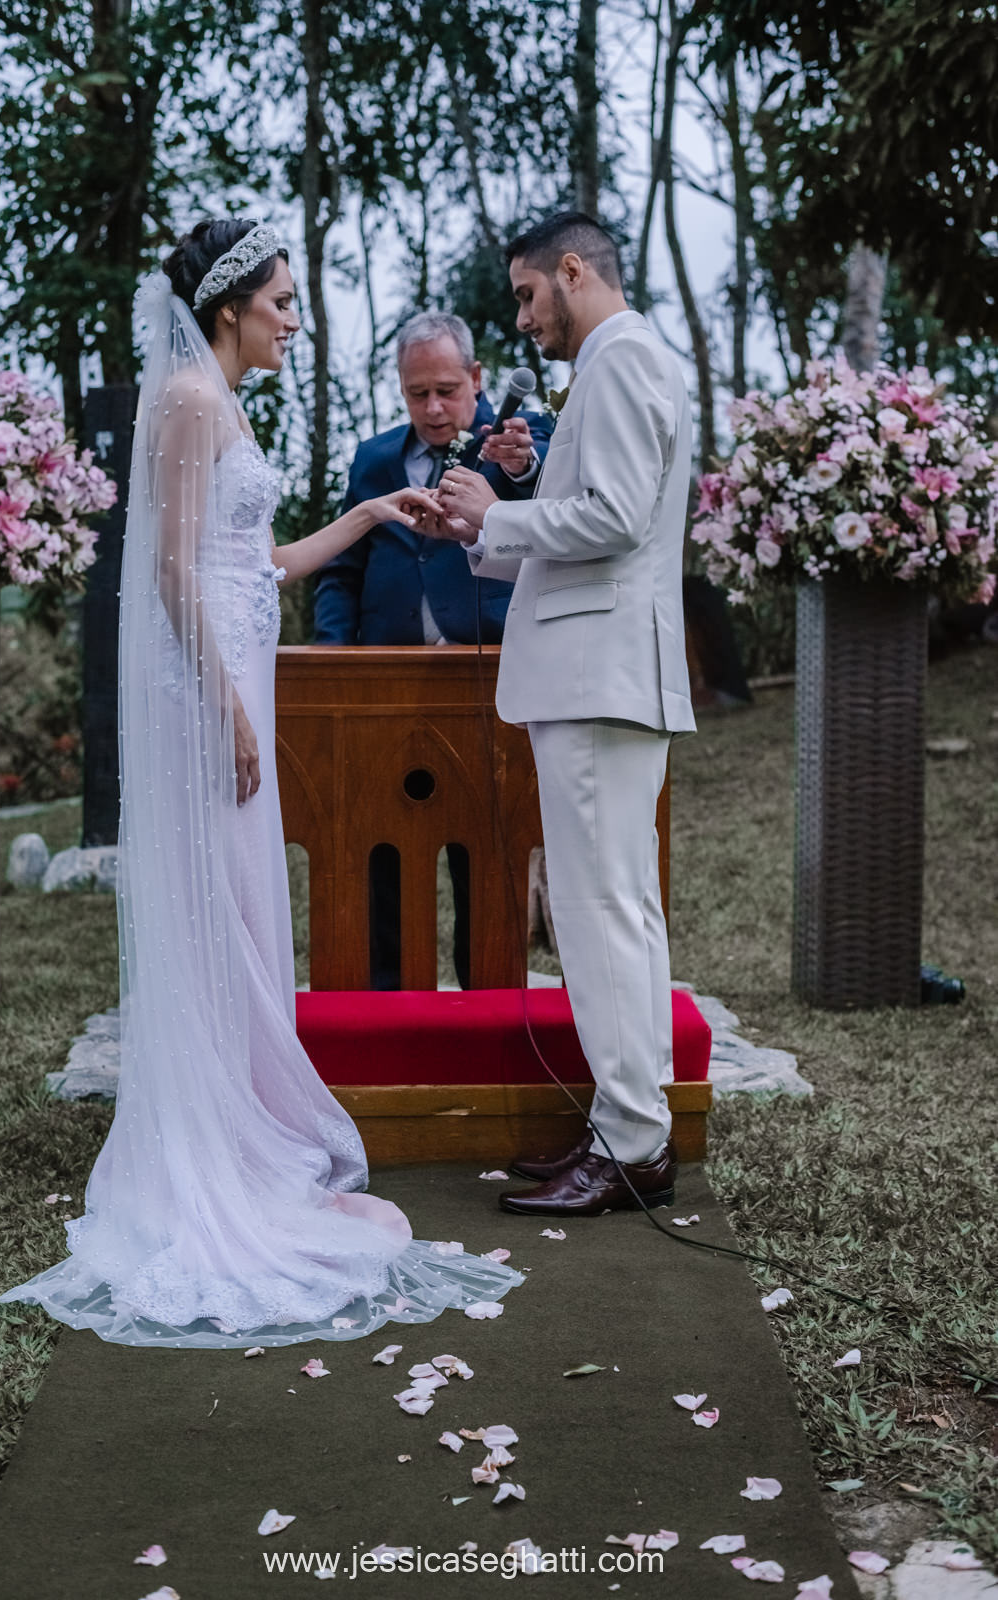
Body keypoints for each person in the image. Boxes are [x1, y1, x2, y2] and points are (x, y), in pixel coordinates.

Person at [0, 220, 523, 1346]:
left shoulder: (222, 400)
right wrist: (234, 707)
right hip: (209, 698)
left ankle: (243, 1133)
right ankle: (218, 1156)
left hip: (235, 677)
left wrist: (373, 516)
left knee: (243, 906)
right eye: (282, 300)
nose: (295, 318)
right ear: (233, 303)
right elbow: (172, 567)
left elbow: (263, 562)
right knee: (220, 913)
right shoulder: (190, 399)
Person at [422, 213, 696, 1217]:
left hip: (598, 676)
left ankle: (630, 1142)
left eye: (530, 293)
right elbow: (595, 523)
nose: (524, 315)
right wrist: (488, 518)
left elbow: (617, 518)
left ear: (573, 269)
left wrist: (496, 513)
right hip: (607, 670)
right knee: (621, 907)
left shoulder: (620, 359)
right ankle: (631, 1124)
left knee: (599, 912)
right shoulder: (625, 362)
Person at [314, 312, 551, 989]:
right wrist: (337, 658)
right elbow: (342, 571)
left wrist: (521, 465)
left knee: (482, 847)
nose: (434, 408)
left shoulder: (516, 441)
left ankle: (486, 996)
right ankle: (388, 996)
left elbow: (538, 492)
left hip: (488, 677)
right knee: (381, 846)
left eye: (447, 389)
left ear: (477, 379)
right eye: (418, 393)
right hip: (381, 684)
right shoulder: (371, 459)